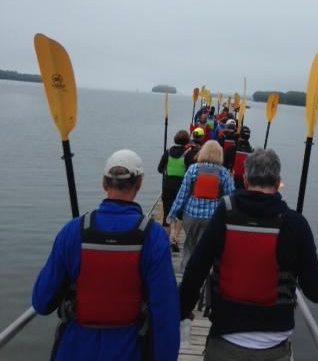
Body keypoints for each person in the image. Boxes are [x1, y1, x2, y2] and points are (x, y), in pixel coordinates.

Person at [32, 149, 180, 361]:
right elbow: (165, 313)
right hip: (129, 349)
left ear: (104, 183)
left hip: (74, 350)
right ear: (139, 183)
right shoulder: (153, 237)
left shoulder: (73, 231)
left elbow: (41, 302)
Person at [179, 149, 318, 361]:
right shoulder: (296, 224)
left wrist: (182, 310)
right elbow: (316, 291)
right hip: (275, 348)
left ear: (245, 180)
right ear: (278, 182)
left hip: (225, 343)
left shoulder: (224, 214)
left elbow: (196, 269)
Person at [167, 140, 235, 273]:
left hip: (191, 216)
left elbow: (182, 194)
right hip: (212, 218)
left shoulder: (193, 169)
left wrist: (173, 213)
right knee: (206, 250)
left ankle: (186, 273)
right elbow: (231, 198)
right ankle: (202, 277)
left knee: (189, 246)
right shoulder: (224, 173)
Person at [158, 130, 190, 252]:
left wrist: (168, 168)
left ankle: (165, 239)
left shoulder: (167, 152)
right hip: (181, 188)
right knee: (180, 214)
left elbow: (160, 169)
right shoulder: (188, 154)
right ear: (187, 141)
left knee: (167, 213)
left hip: (167, 187)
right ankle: (174, 239)